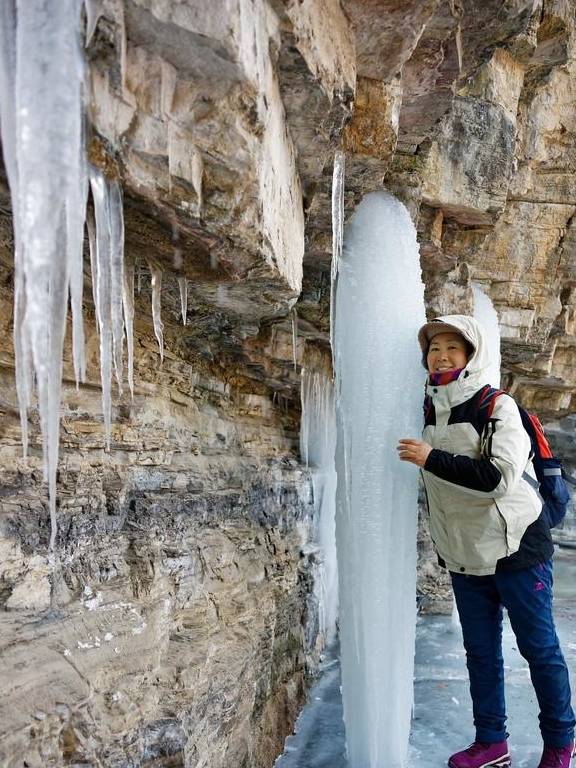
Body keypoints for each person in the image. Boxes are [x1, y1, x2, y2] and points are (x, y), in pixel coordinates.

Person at [396, 314, 575, 768]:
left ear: (472, 355)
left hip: (518, 548)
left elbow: (497, 478)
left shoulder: (496, 406)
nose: (442, 355)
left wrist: (431, 458)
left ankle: (560, 744)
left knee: (539, 650)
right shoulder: (425, 406)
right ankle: (492, 742)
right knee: (480, 651)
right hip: (465, 552)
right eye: (435, 348)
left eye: (453, 347)